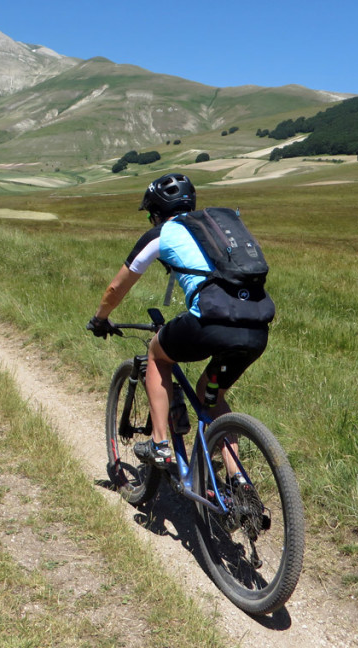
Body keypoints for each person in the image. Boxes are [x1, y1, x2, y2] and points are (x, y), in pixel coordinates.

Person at [86, 173, 270, 472]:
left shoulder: (164, 232)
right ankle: (239, 484)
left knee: (158, 355)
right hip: (257, 328)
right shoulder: (217, 231)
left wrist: (100, 319)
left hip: (210, 323)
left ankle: (159, 445)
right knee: (211, 396)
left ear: (157, 212)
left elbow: (115, 288)